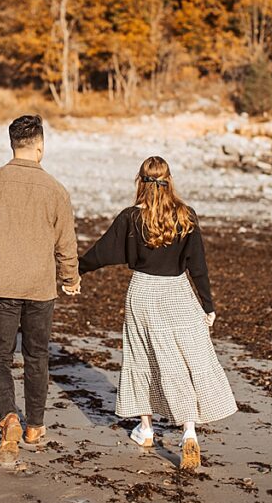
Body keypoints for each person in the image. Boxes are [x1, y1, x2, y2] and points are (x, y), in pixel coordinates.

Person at [78, 155, 237, 471]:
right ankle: (189, 431)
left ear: (140, 181)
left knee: (143, 359)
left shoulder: (130, 218)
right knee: (185, 360)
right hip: (178, 293)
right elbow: (198, 266)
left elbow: (102, 252)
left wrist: (76, 269)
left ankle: (146, 428)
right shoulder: (185, 216)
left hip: (143, 293)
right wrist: (208, 305)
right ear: (170, 180)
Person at [0, 114, 81, 465]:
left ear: (12, 144)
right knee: (37, 357)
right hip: (41, 287)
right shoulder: (57, 190)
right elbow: (66, 243)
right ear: (41, 147)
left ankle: (8, 418)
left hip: (1, 282)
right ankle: (34, 427)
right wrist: (70, 278)